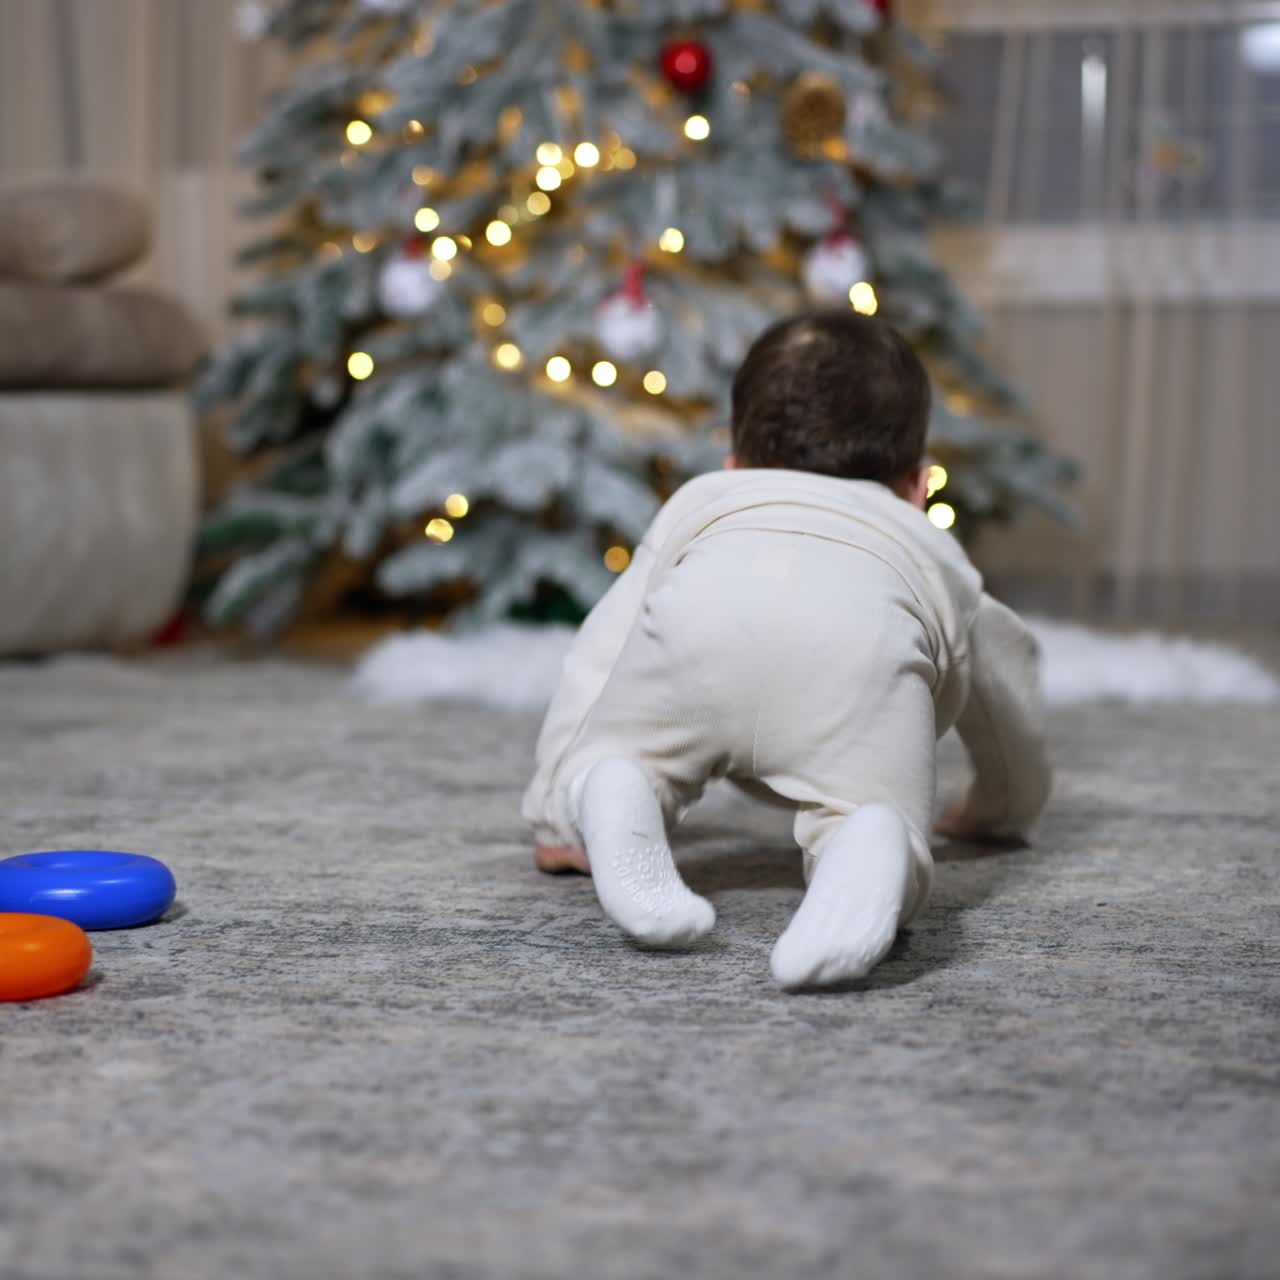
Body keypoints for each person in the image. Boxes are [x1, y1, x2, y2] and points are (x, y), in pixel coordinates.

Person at [522, 310, 1050, 989]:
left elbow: (599, 654)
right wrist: (1001, 807)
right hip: (852, 659)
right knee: (872, 811)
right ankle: (869, 844)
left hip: (700, 634)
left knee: (617, 752)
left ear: (734, 464)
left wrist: (551, 811)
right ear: (920, 487)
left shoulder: (703, 503)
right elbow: (1009, 700)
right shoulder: (926, 548)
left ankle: (615, 787)